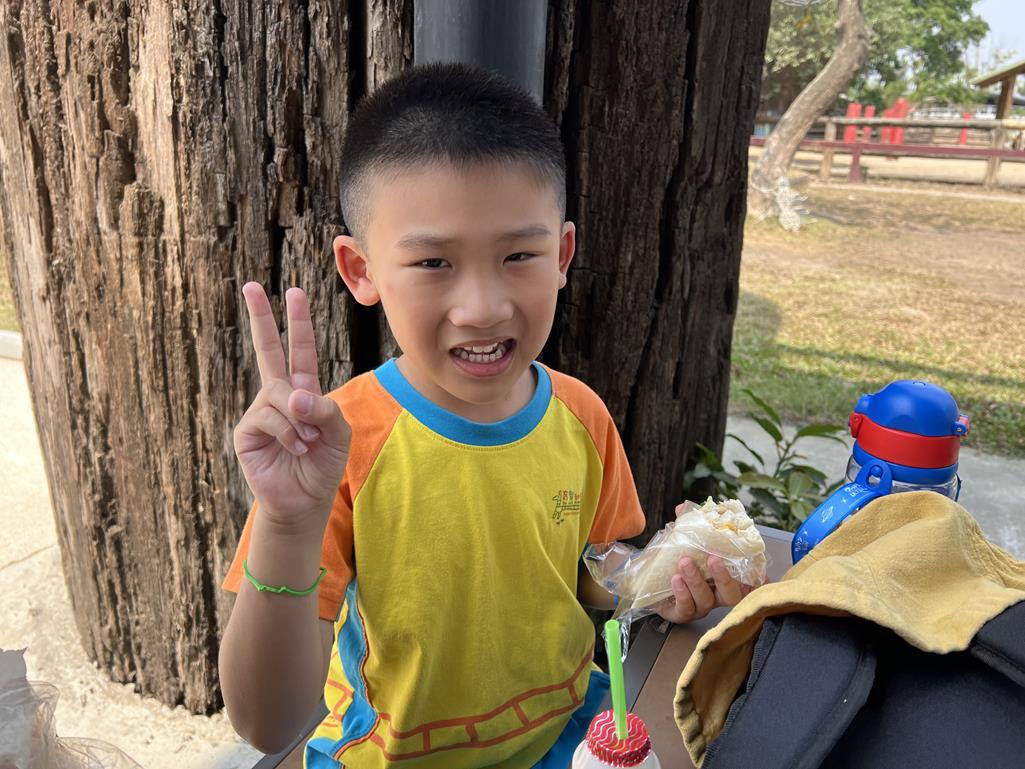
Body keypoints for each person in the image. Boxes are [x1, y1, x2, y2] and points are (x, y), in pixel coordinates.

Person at [218, 63, 753, 769]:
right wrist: (288, 524)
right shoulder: (336, 446)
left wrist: (661, 581)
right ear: (361, 271)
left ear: (561, 255)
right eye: (433, 262)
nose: (482, 307)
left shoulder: (580, 415)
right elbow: (270, 722)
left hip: (565, 735)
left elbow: (589, 569)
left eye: (518, 255)